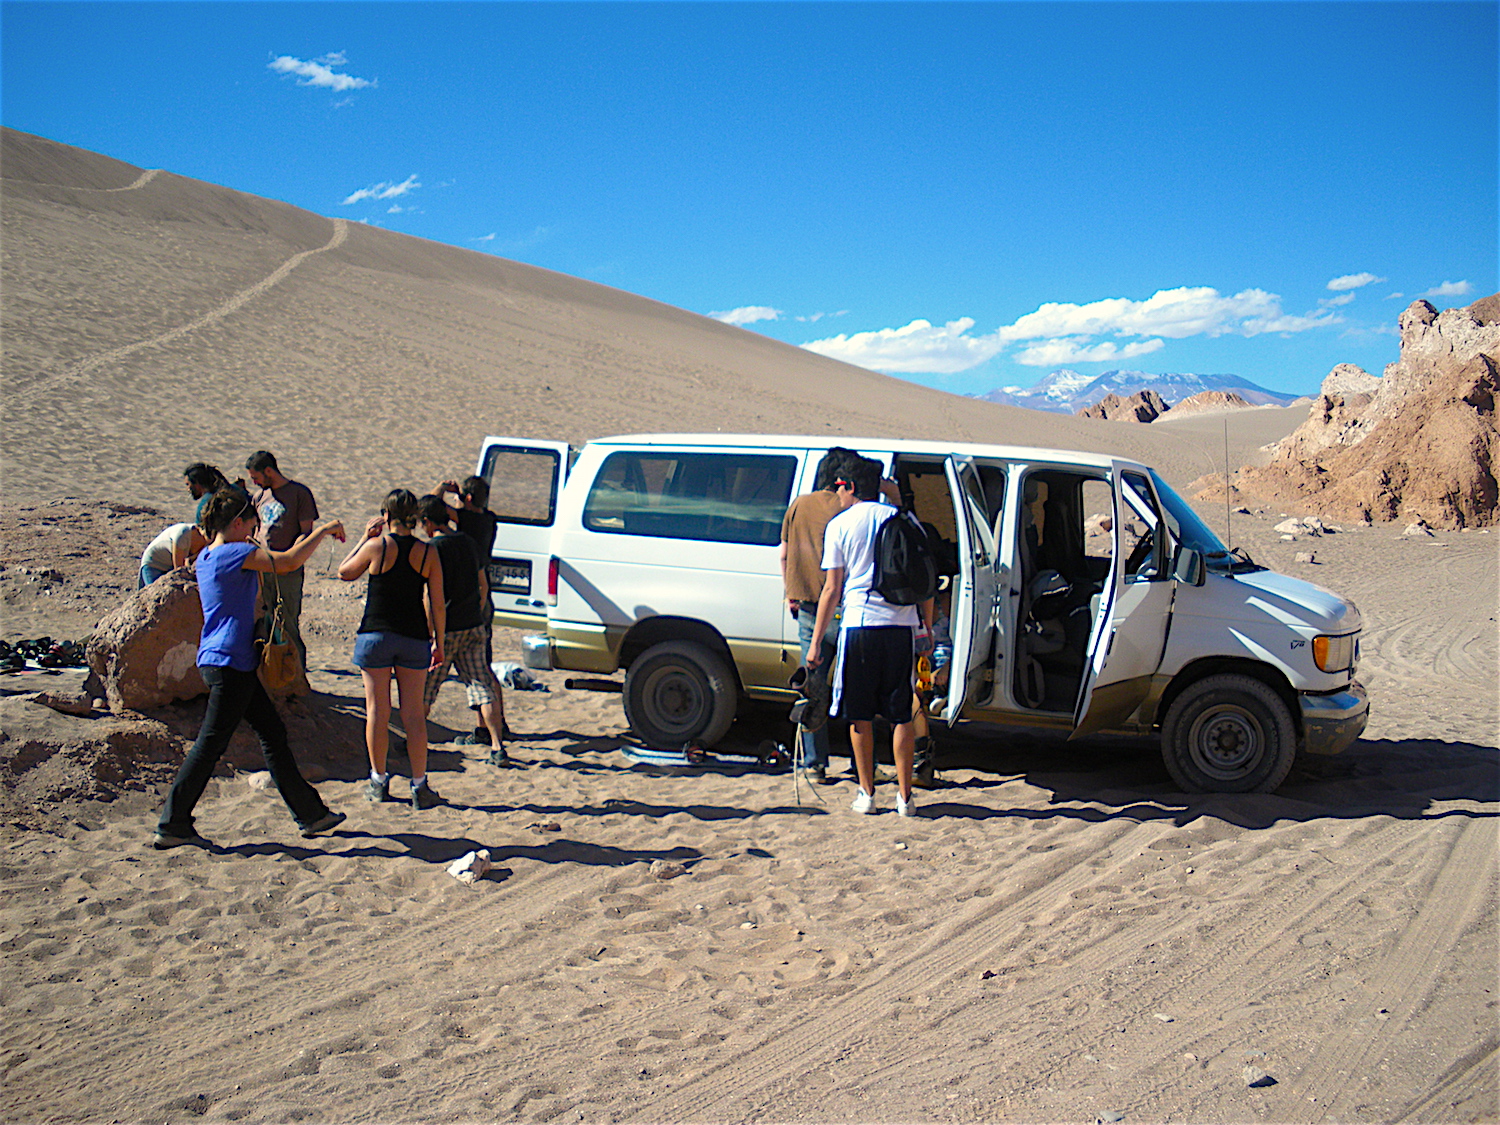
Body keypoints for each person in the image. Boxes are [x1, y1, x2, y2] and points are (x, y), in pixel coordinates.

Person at [153, 490, 347, 850]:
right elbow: (287, 562)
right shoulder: (235, 552)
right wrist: (321, 532)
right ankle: (173, 822)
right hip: (231, 661)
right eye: (252, 523)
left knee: (271, 733)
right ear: (239, 523)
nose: (255, 529)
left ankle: (310, 814)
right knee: (210, 745)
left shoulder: (207, 556)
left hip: (224, 659)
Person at [808, 456, 927, 818]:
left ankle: (867, 793)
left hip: (860, 624)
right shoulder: (903, 520)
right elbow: (923, 575)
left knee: (859, 714)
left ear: (849, 487)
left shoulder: (840, 525)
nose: (837, 494)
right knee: (900, 713)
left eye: (840, 487)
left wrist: (815, 644)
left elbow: (832, 588)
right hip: (901, 626)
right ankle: (905, 798)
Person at [339, 489, 446, 809]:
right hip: (413, 638)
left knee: (377, 711)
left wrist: (363, 538)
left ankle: (378, 780)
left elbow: (345, 572)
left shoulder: (377, 547)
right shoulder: (428, 553)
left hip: (376, 635)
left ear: (386, 516)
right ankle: (419, 784)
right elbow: (437, 603)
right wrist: (438, 641)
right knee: (413, 715)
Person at [779, 446, 857, 783]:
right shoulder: (853, 507)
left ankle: (814, 763)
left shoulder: (799, 504)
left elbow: (783, 554)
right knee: (855, 688)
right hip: (849, 608)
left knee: (812, 686)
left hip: (809, 607)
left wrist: (791, 591)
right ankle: (860, 761)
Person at [416, 496, 510, 765]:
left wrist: (431, 632)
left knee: (426, 690)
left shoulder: (433, 548)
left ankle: (413, 740)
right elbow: (483, 585)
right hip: (473, 624)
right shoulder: (467, 541)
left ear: (427, 522)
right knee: (482, 685)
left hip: (448, 629)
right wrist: (477, 612)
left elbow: (429, 596)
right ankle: (497, 746)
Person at [434, 475, 502, 745]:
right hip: (484, 595)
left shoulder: (468, 519)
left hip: (470, 597)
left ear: (469, 498)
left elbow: (430, 509)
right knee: (482, 667)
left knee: (480, 672)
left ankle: (488, 727)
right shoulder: (489, 519)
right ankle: (490, 725)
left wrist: (442, 488)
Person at [245, 451, 319, 686]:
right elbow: (255, 529)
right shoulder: (259, 497)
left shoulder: (299, 494)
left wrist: (289, 560)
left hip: (287, 571)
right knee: (264, 621)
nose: (254, 482)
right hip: (261, 569)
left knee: (287, 622)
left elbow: (305, 532)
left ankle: (296, 680)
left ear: (269, 471)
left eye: (256, 476)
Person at [138, 521, 206, 588]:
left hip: (168, 567)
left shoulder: (206, 543)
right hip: (154, 564)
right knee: (153, 592)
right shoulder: (184, 533)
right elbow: (179, 569)